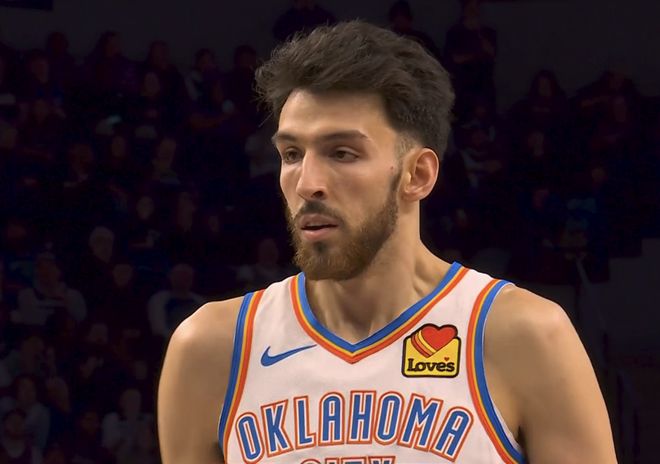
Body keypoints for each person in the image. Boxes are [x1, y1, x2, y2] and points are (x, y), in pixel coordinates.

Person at [157, 20, 616, 463]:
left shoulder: (523, 335)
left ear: (418, 175)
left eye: (342, 153)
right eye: (292, 153)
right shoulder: (211, 349)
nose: (307, 183)